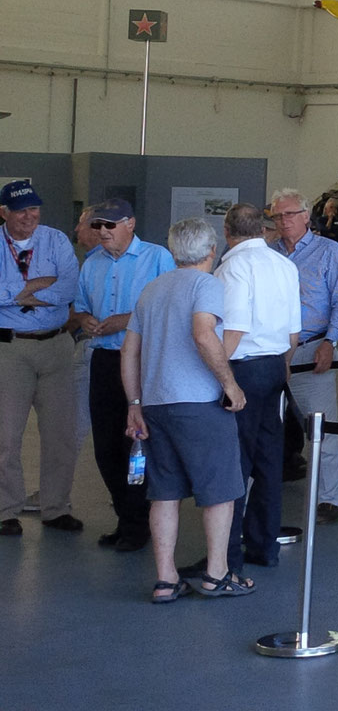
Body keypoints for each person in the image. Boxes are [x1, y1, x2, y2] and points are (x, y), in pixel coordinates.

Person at [121, 217, 251, 602]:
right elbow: (202, 332)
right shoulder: (206, 284)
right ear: (212, 251)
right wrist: (230, 385)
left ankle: (165, 579)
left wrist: (134, 403)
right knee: (220, 490)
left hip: (156, 403)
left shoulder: (152, 289)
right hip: (197, 404)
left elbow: (129, 350)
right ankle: (216, 574)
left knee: (164, 493)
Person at [68, 198, 174, 551]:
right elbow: (80, 305)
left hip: (142, 362)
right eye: (97, 225)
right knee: (106, 448)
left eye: (109, 225)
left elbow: (168, 308)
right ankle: (127, 518)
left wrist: (124, 320)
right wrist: (84, 319)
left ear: (130, 223)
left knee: (137, 445)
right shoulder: (92, 262)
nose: (102, 232)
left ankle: (139, 523)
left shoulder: (158, 258)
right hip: (103, 361)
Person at [209, 204, 299, 575]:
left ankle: (227, 555)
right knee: (268, 461)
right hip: (275, 366)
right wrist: (282, 368)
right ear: (263, 229)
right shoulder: (284, 265)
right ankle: (264, 545)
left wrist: (218, 374)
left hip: (243, 368)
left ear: (227, 232)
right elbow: (293, 334)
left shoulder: (232, 268)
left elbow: (234, 331)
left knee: (234, 463)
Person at [0, 179, 82, 540]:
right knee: (5, 435)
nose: (29, 217)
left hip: (57, 346)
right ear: (4, 212)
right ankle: (5, 510)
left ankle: (56, 507)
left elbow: (68, 288)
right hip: (10, 349)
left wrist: (16, 293)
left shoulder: (56, 240)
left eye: (34, 209)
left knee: (61, 433)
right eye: (21, 211)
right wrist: (36, 285)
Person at [269, 188, 338, 523]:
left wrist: (329, 341)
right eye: (277, 215)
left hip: (310, 349)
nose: (283, 221)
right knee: (263, 428)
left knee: (322, 429)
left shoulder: (328, 251)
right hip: (269, 354)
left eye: (289, 214)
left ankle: (329, 498)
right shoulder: (267, 253)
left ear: (306, 216)